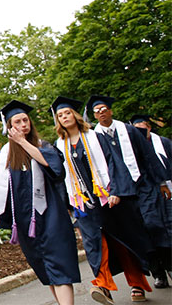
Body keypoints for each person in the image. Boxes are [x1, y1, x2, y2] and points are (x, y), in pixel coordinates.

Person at [53, 97, 153, 305]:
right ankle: (103, 285)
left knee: (121, 241)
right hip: (84, 203)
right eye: (61, 115)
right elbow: (62, 177)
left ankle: (137, 283)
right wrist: (69, 204)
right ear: (58, 121)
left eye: (68, 113)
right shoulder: (59, 146)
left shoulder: (95, 136)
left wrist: (116, 190)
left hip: (108, 198)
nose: (65, 117)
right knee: (95, 245)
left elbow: (114, 163)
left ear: (75, 115)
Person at [0, 100, 80, 305]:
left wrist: (23, 142)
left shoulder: (42, 146)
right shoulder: (5, 155)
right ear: (9, 127)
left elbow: (55, 169)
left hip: (51, 214)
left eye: (25, 120)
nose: (23, 124)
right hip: (24, 220)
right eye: (18, 121)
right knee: (45, 268)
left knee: (59, 263)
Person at [89, 95, 169, 301]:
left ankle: (166, 264)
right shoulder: (94, 137)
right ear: (93, 115)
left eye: (104, 108)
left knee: (153, 225)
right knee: (133, 236)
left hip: (143, 186)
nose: (101, 112)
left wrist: (161, 182)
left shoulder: (130, 130)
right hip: (118, 194)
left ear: (111, 111)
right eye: (96, 110)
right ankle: (154, 274)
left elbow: (148, 155)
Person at [130, 113, 172, 289]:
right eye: (136, 127)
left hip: (166, 192)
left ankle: (169, 267)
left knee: (167, 230)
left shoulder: (164, 143)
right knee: (149, 232)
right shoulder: (130, 149)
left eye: (144, 126)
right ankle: (158, 272)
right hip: (142, 196)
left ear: (149, 127)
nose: (141, 130)